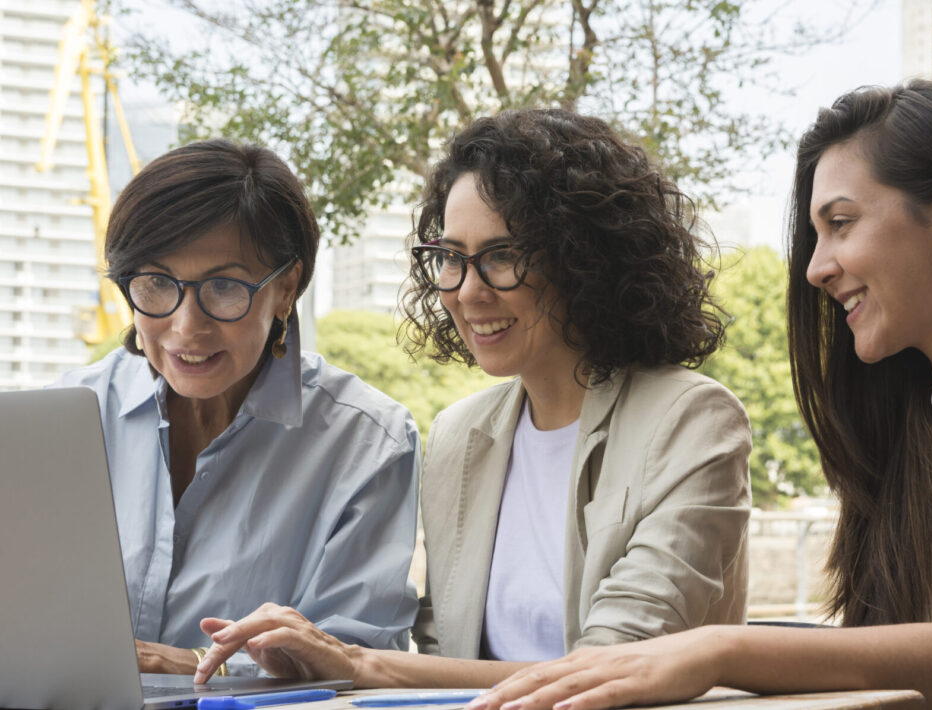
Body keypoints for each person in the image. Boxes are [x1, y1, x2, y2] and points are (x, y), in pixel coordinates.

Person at [460, 79, 932, 710]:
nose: (816, 268)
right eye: (816, 234)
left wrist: (717, 648)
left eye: (840, 223)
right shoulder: (903, 437)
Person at [193, 108, 753, 687]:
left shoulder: (690, 420)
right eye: (452, 258)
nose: (468, 290)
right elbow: (444, 648)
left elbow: (614, 668)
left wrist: (359, 663)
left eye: (504, 255)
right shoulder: (461, 433)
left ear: (586, 258)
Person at [55, 139, 421, 676]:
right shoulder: (70, 414)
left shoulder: (368, 443)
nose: (186, 327)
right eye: (157, 283)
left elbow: (359, 662)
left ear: (286, 287)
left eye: (224, 287)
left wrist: (190, 664)